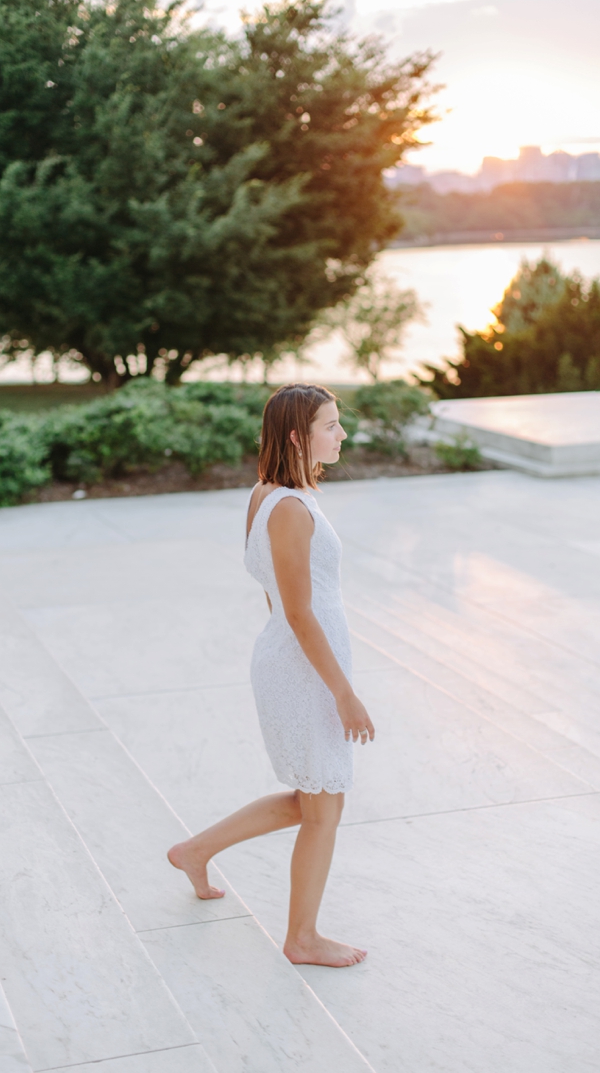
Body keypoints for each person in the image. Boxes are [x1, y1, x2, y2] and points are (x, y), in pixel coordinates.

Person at [167, 382, 376, 969]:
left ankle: (195, 850)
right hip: (304, 671)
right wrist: (343, 694)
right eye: (331, 425)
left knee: (312, 802)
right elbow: (296, 610)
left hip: (296, 662)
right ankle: (302, 938)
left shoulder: (271, 494)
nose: (342, 434)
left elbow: (277, 599)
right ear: (296, 435)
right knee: (323, 807)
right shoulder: (286, 507)